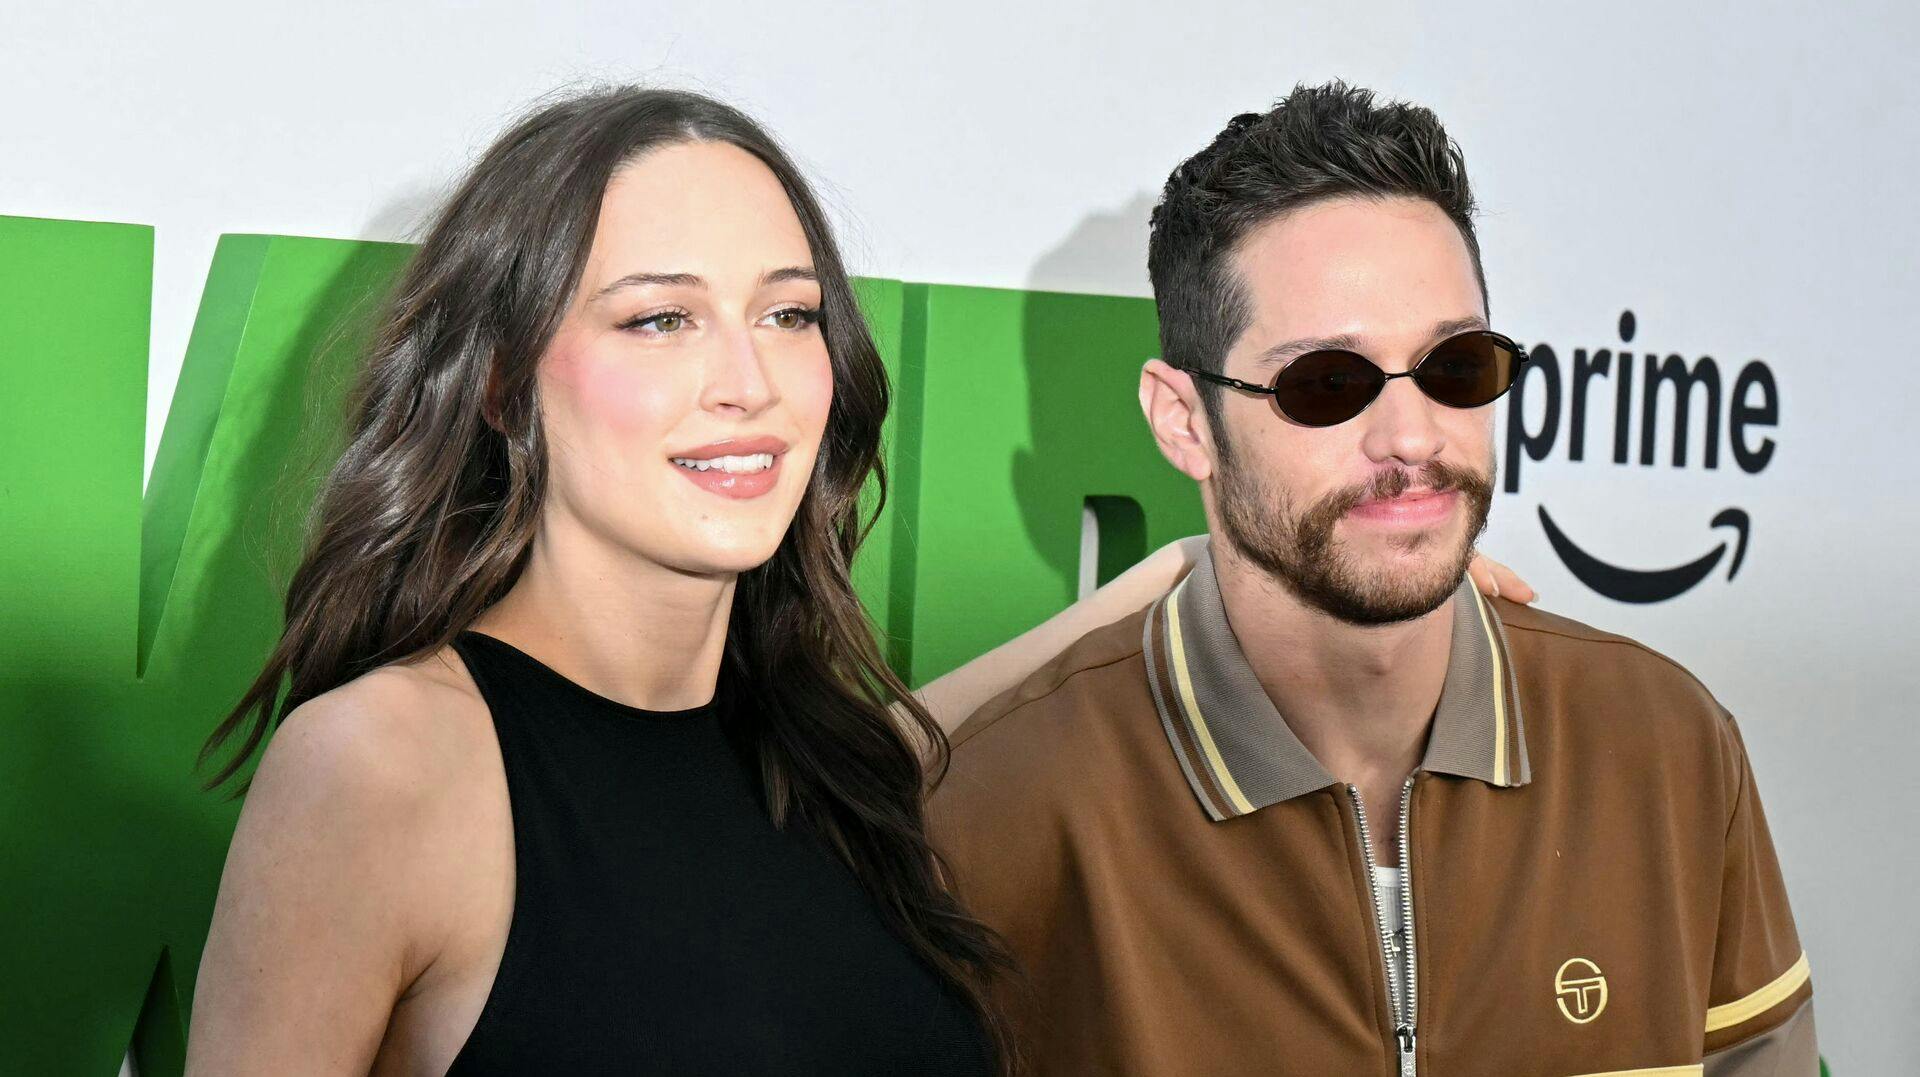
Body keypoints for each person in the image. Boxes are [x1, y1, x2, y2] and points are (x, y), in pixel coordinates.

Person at [183, 84, 1528, 1076]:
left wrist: (1186, 575)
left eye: (788, 312)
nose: (750, 381)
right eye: (660, 317)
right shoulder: (383, 766)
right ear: (497, 377)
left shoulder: (813, 762)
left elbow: (842, 777)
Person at [929, 82, 1815, 1076]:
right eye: (1329, 384)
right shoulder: (1004, 806)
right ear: (1184, 422)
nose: (1412, 438)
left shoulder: (1665, 746)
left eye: (1457, 366)